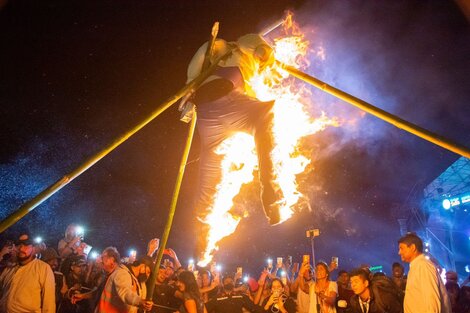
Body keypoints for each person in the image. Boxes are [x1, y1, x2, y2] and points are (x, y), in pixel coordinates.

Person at [186, 33, 283, 229]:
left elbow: (204, 54)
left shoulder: (247, 72)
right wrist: (268, 58)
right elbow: (213, 47)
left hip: (207, 110)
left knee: (213, 160)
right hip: (226, 94)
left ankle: (205, 212)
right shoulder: (234, 47)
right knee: (264, 117)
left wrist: (190, 90)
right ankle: (270, 189)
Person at [0, 233, 56, 312]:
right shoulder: (10, 268)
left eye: (26, 244)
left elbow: (49, 304)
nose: (21, 248)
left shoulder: (43, 269)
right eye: (19, 244)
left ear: (33, 247)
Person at [398, 232, 452, 313]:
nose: (399, 252)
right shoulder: (417, 266)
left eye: (401, 248)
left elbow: (432, 300)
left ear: (412, 247)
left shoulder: (423, 266)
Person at [95, 247, 153, 313]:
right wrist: (140, 301)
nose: (147, 276)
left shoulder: (135, 279)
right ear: (142, 267)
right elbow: (125, 293)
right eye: (148, 272)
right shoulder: (122, 273)